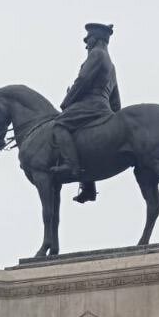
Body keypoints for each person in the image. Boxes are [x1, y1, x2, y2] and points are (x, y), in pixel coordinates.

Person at [51, 21, 121, 203]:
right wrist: (113, 117)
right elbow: (116, 100)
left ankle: (70, 166)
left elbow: (82, 81)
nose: (86, 42)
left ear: (96, 39)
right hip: (103, 107)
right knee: (84, 141)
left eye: (88, 38)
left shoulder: (96, 54)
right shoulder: (111, 64)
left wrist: (67, 102)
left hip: (90, 105)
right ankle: (88, 188)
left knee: (59, 125)